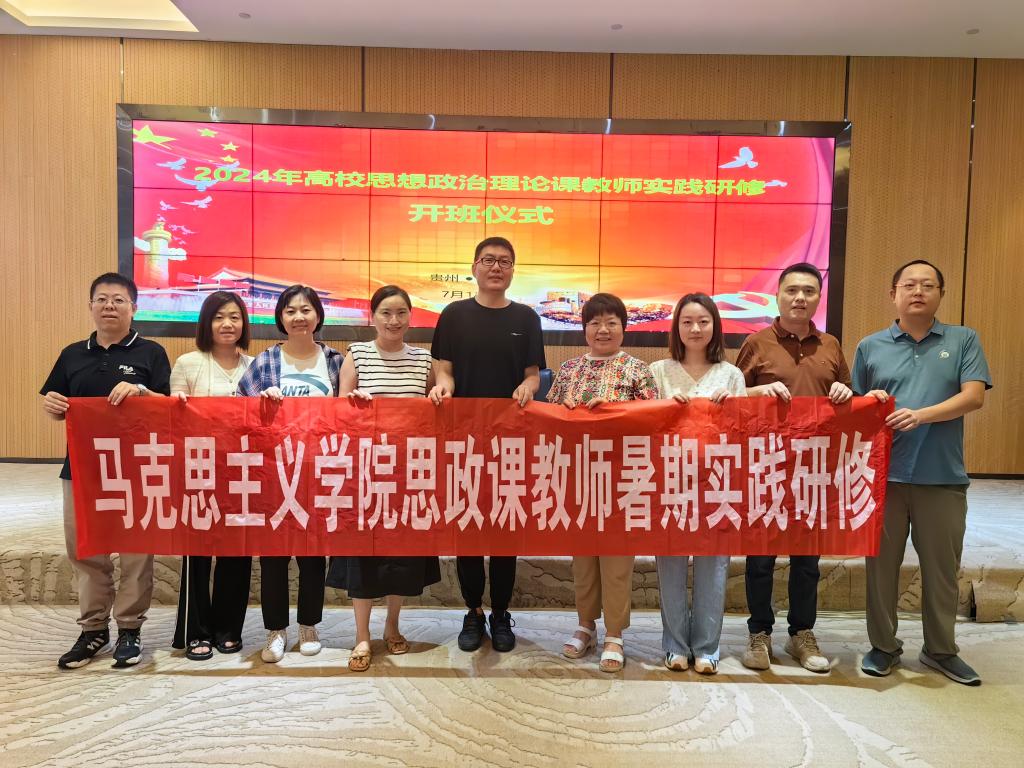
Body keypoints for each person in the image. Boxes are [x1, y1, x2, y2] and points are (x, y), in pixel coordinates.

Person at [852, 259, 990, 685]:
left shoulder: (963, 339)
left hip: (942, 476)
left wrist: (921, 414)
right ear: (893, 293)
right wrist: (867, 403)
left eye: (928, 285)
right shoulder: (870, 346)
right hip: (883, 479)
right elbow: (855, 410)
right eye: (909, 284)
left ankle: (941, 650)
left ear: (940, 294)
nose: (918, 291)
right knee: (880, 569)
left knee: (942, 570)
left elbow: (974, 397)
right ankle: (883, 647)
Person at [40, 273, 171, 669]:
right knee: (85, 549)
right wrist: (52, 407)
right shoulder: (71, 354)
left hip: (136, 468)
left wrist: (141, 392)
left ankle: (130, 629)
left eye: (118, 299)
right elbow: (57, 401)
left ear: (134, 308)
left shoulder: (151, 353)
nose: (109, 306)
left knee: (136, 552)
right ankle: (94, 629)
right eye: (101, 299)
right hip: (82, 469)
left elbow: (167, 407)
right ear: (91, 306)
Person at [429, 236, 545, 653]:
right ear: (474, 267)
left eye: (505, 262)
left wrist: (528, 387)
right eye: (489, 260)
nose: (497, 267)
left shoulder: (526, 317)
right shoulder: (454, 315)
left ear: (513, 270)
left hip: (511, 442)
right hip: (463, 440)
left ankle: (500, 612)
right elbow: (444, 369)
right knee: (468, 528)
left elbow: (533, 374)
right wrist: (444, 387)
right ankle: (473, 612)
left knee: (504, 531)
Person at [735, 262, 853, 674]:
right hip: (765, 465)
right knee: (760, 559)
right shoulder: (756, 343)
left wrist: (843, 391)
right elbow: (731, 397)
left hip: (813, 469)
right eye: (792, 290)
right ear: (778, 296)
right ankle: (759, 633)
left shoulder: (831, 345)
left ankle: (802, 632)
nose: (800, 298)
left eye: (809, 291)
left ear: (819, 298)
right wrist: (757, 390)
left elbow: (847, 397)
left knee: (807, 560)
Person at [326, 285, 441, 672]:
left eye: (401, 313)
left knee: (400, 557)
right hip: (365, 472)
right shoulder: (356, 354)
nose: (394, 320)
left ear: (411, 317)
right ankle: (361, 634)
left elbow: (434, 411)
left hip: (408, 474)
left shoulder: (424, 360)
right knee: (362, 556)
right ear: (372, 316)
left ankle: (392, 624)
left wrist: (438, 398)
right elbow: (338, 412)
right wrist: (353, 405)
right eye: (386, 313)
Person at [549, 293, 657, 672]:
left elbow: (654, 421)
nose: (603, 329)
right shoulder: (568, 370)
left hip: (622, 477)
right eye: (594, 322)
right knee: (582, 558)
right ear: (584, 329)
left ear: (624, 328)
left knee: (616, 559)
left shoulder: (637, 370)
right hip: (578, 475)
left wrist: (617, 414)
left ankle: (614, 632)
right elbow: (549, 420)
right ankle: (585, 625)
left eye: (611, 322)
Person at [236, 285, 342, 663]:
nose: (299, 317)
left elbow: (350, 415)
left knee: (313, 554)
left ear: (318, 315)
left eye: (306, 309)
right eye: (291, 310)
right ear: (280, 317)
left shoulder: (335, 361)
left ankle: (309, 625)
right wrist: (260, 405)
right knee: (274, 556)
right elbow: (238, 413)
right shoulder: (265, 361)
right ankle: (276, 630)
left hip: (318, 471)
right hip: (274, 472)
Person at [650, 293, 746, 675]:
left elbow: (745, 432)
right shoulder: (657, 371)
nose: (695, 329)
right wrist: (661, 408)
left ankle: (707, 647)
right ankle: (674, 645)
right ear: (676, 327)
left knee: (714, 566)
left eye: (703, 321)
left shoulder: (732, 375)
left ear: (715, 327)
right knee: (670, 565)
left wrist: (732, 407)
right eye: (687, 321)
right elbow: (642, 426)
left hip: (717, 482)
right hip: (669, 479)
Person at [169, 291, 254, 661]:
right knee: (199, 554)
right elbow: (174, 420)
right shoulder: (187, 363)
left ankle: (228, 629)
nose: (227, 324)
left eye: (234, 316)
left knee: (237, 552)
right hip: (199, 470)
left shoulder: (255, 365)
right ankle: (197, 631)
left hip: (242, 471)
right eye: (219, 317)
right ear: (206, 323)